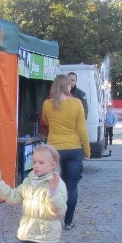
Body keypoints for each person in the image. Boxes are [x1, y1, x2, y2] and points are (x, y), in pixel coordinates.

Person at [42, 74, 89, 230]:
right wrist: (87, 151)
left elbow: (46, 121)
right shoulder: (77, 103)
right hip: (74, 149)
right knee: (72, 186)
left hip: (54, 150)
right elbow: (82, 130)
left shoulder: (47, 104)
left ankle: (51, 218)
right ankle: (68, 221)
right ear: (67, 86)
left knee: (52, 185)